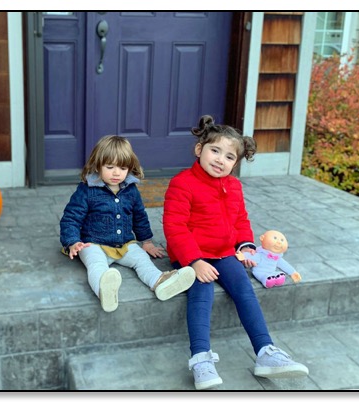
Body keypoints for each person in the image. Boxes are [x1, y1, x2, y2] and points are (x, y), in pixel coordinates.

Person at [163, 115, 308, 390]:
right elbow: (174, 226)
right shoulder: (182, 183)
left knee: (243, 288)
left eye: (229, 157)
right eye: (214, 150)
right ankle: (201, 359)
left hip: (224, 252)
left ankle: (266, 352)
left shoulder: (234, 186)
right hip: (193, 253)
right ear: (199, 150)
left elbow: (241, 219)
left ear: (235, 163)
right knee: (202, 293)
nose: (220, 160)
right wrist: (194, 261)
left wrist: (245, 244)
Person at [60, 135, 196, 313]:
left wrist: (146, 241)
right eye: (110, 167)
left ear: (129, 168)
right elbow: (71, 217)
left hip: (124, 243)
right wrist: (73, 242)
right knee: (95, 264)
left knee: (141, 260)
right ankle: (105, 290)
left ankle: (160, 282)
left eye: (122, 168)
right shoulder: (87, 190)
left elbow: (139, 216)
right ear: (97, 165)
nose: (116, 173)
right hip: (92, 243)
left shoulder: (131, 190)